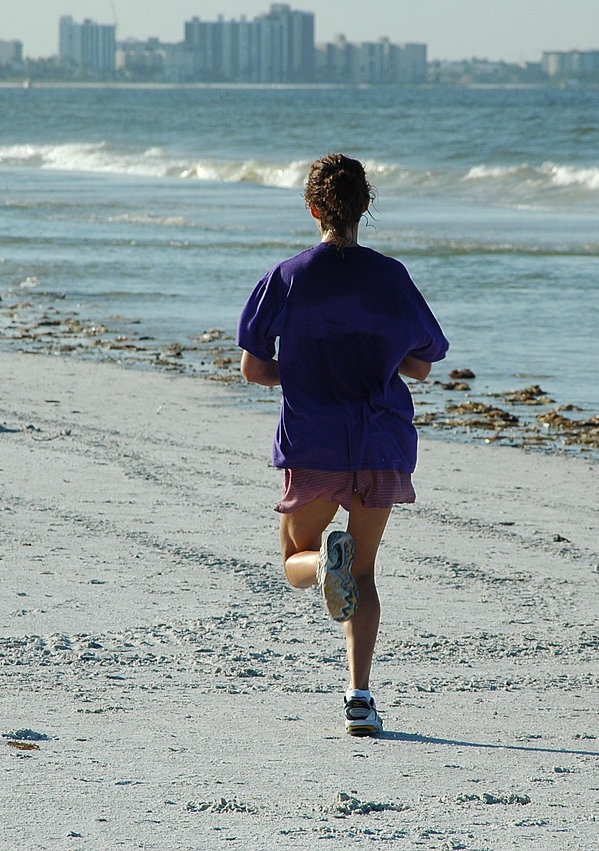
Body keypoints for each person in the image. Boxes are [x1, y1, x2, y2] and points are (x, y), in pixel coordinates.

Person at [236, 153, 448, 737]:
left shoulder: (288, 277)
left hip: (314, 439)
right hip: (380, 439)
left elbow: (255, 368)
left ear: (313, 209)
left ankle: (323, 565)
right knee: (367, 573)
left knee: (293, 561)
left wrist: (305, 371)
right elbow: (423, 364)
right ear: (365, 208)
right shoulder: (390, 276)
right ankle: (359, 697)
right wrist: (376, 360)